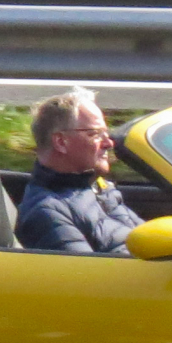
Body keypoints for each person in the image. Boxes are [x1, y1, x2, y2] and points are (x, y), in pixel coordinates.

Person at [16, 87, 141, 255]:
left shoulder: (96, 187)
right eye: (95, 134)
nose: (108, 143)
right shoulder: (47, 213)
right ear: (61, 142)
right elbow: (88, 277)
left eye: (106, 133)